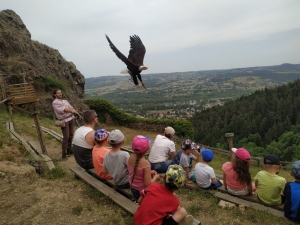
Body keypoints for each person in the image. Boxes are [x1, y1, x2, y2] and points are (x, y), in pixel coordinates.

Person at [127, 135, 160, 201]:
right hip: (141, 193)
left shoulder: (130, 158)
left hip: (132, 189)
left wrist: (148, 173)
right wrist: (155, 177)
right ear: (147, 149)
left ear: (132, 148)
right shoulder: (146, 164)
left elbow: (135, 171)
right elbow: (148, 184)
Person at [52, 89, 78, 159]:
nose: (60, 94)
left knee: (71, 134)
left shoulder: (65, 101)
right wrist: (72, 111)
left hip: (70, 118)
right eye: (58, 93)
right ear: (55, 95)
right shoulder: (55, 102)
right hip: (64, 120)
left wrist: (74, 110)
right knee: (66, 136)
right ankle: (64, 153)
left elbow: (70, 107)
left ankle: (69, 149)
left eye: (60, 93)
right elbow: (63, 110)